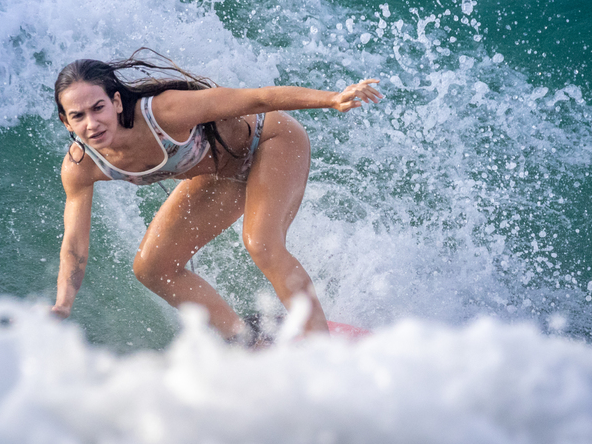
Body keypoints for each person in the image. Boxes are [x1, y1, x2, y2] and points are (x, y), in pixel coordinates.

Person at [51, 50, 382, 342]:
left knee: (261, 243)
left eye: (98, 108)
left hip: (270, 140)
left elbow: (258, 99)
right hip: (222, 174)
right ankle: (245, 341)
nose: (92, 123)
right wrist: (63, 303)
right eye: (78, 116)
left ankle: (320, 346)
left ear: (117, 102)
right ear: (66, 121)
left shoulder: (164, 112)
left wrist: (332, 99)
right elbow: (74, 245)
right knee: (152, 267)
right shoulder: (80, 167)